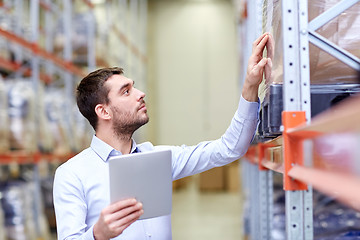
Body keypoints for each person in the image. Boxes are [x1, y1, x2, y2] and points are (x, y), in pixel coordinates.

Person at [53, 32, 272, 240]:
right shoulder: (72, 175)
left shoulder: (157, 159)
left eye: (134, 87)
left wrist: (251, 86)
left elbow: (229, 148)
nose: (141, 94)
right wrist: (97, 234)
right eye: (126, 91)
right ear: (103, 111)